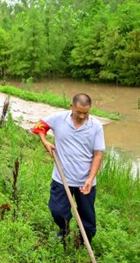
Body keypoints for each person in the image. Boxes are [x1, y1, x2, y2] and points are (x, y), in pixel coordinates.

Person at [32, 93, 105, 245]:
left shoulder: (96, 126)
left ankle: (85, 242)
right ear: (71, 107)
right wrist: (45, 141)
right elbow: (39, 126)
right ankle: (64, 229)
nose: (82, 116)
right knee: (57, 211)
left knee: (87, 218)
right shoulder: (59, 119)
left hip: (85, 181)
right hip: (61, 176)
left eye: (86, 112)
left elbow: (98, 154)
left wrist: (90, 179)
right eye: (78, 112)